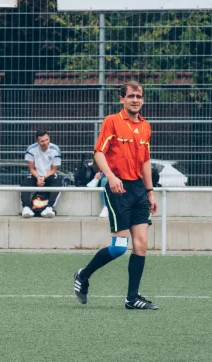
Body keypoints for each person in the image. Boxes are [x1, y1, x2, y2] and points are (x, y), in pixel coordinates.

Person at [73, 81, 159, 310]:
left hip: (139, 190)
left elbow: (146, 161)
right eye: (131, 96)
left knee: (141, 244)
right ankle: (83, 274)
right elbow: (99, 152)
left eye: (139, 96)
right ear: (122, 99)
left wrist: (150, 192)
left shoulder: (146, 127)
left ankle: (132, 298)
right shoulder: (112, 121)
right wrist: (110, 177)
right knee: (120, 247)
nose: (135, 100)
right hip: (117, 190)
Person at [20, 130, 62, 218]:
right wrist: (38, 177)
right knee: (25, 183)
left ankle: (49, 208)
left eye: (47, 140)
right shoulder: (31, 149)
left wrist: (43, 177)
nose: (45, 143)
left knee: (58, 183)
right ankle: (26, 208)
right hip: (35, 175)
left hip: (49, 175)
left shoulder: (55, 149)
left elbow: (54, 170)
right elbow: (31, 169)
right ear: (38, 141)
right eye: (42, 141)